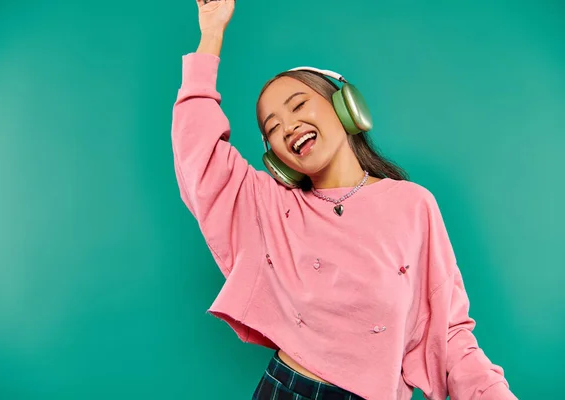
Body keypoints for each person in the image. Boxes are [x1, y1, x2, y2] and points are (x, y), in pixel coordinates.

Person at [171, 1, 518, 399]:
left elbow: (449, 333)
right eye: (273, 128)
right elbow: (197, 152)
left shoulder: (413, 205)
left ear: (344, 106)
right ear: (276, 159)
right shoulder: (270, 205)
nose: (289, 127)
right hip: (286, 389)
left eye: (298, 105)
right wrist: (211, 32)